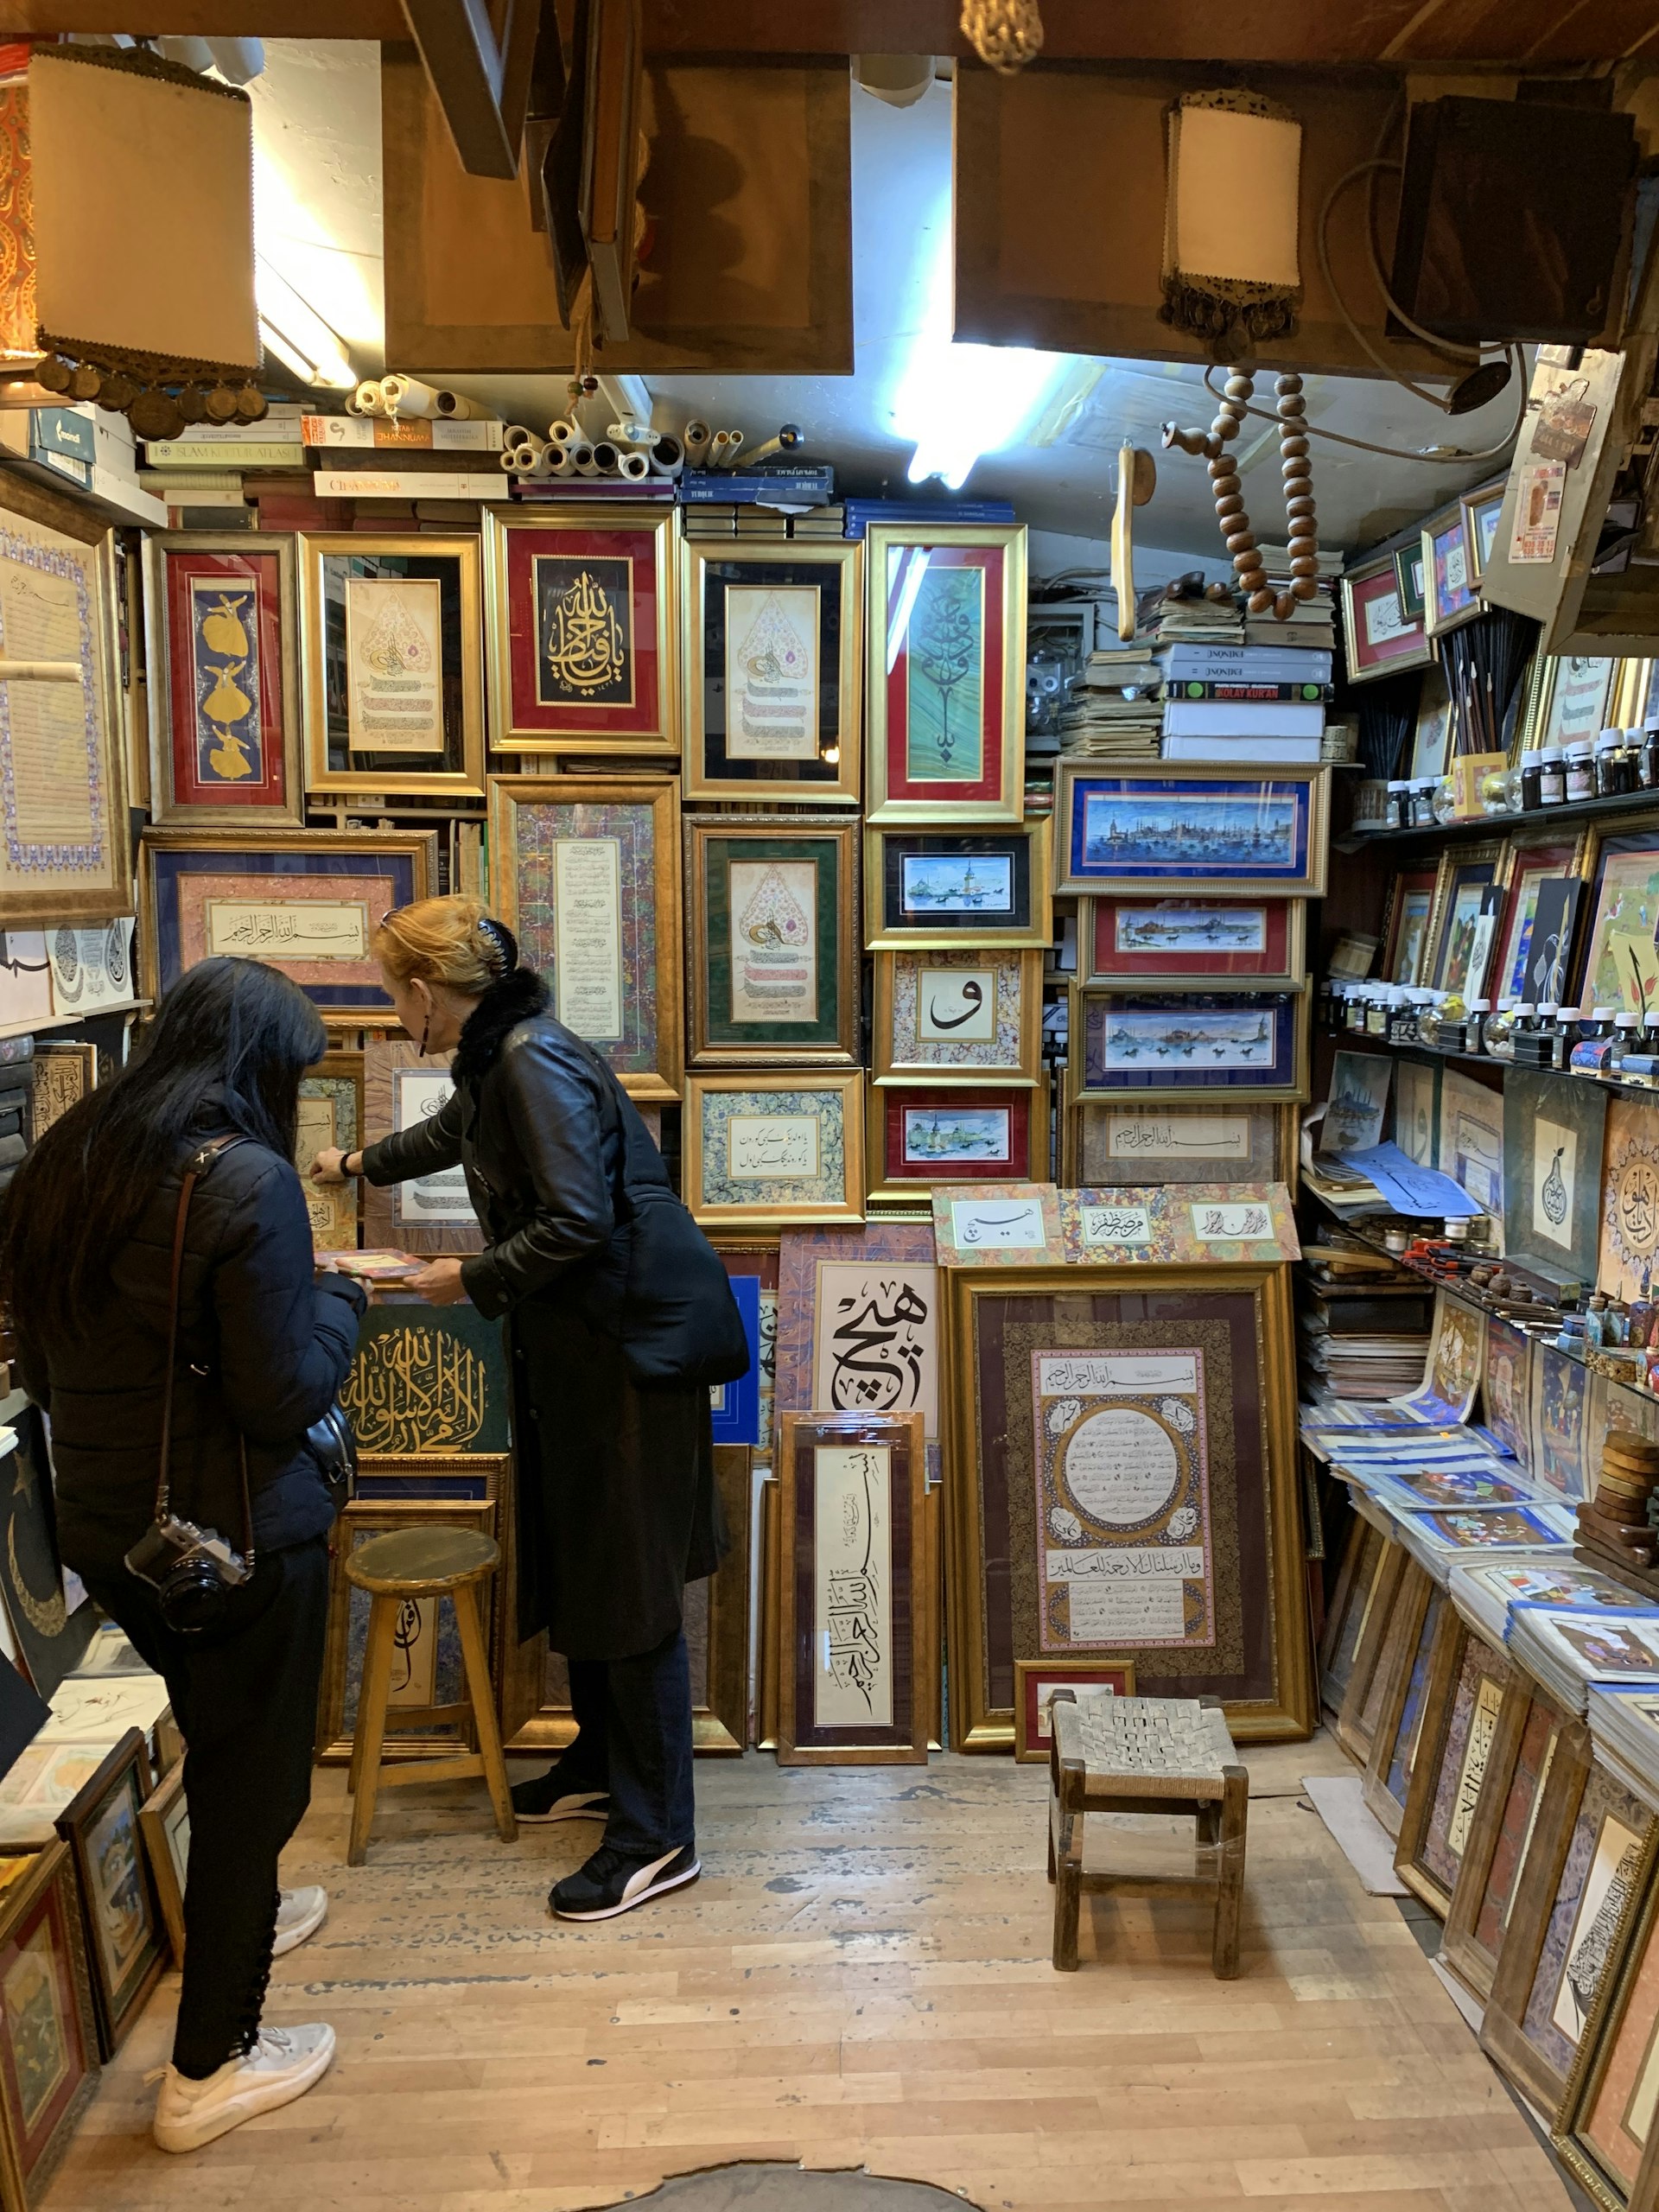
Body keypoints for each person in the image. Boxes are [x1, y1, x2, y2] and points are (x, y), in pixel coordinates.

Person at [0, 958, 366, 2153]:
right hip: (241, 1536)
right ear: (258, 1068)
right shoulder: (244, 1181)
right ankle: (211, 2064)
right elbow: (282, 1395)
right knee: (255, 1779)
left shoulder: (70, 1159)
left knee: (219, 1742)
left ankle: (240, 1912)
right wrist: (342, 1303)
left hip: (113, 1531)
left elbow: (44, 1368)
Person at [311, 895, 724, 1922]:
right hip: (587, 1349)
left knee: (629, 1590)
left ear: (423, 991)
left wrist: (473, 1278)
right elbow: (453, 1132)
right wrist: (356, 1163)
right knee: (587, 1560)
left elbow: (580, 1218)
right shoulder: (501, 1057)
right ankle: (599, 1761)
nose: (393, 1012)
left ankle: (656, 1835)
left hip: (628, 1351)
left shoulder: (530, 1059)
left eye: (390, 994)